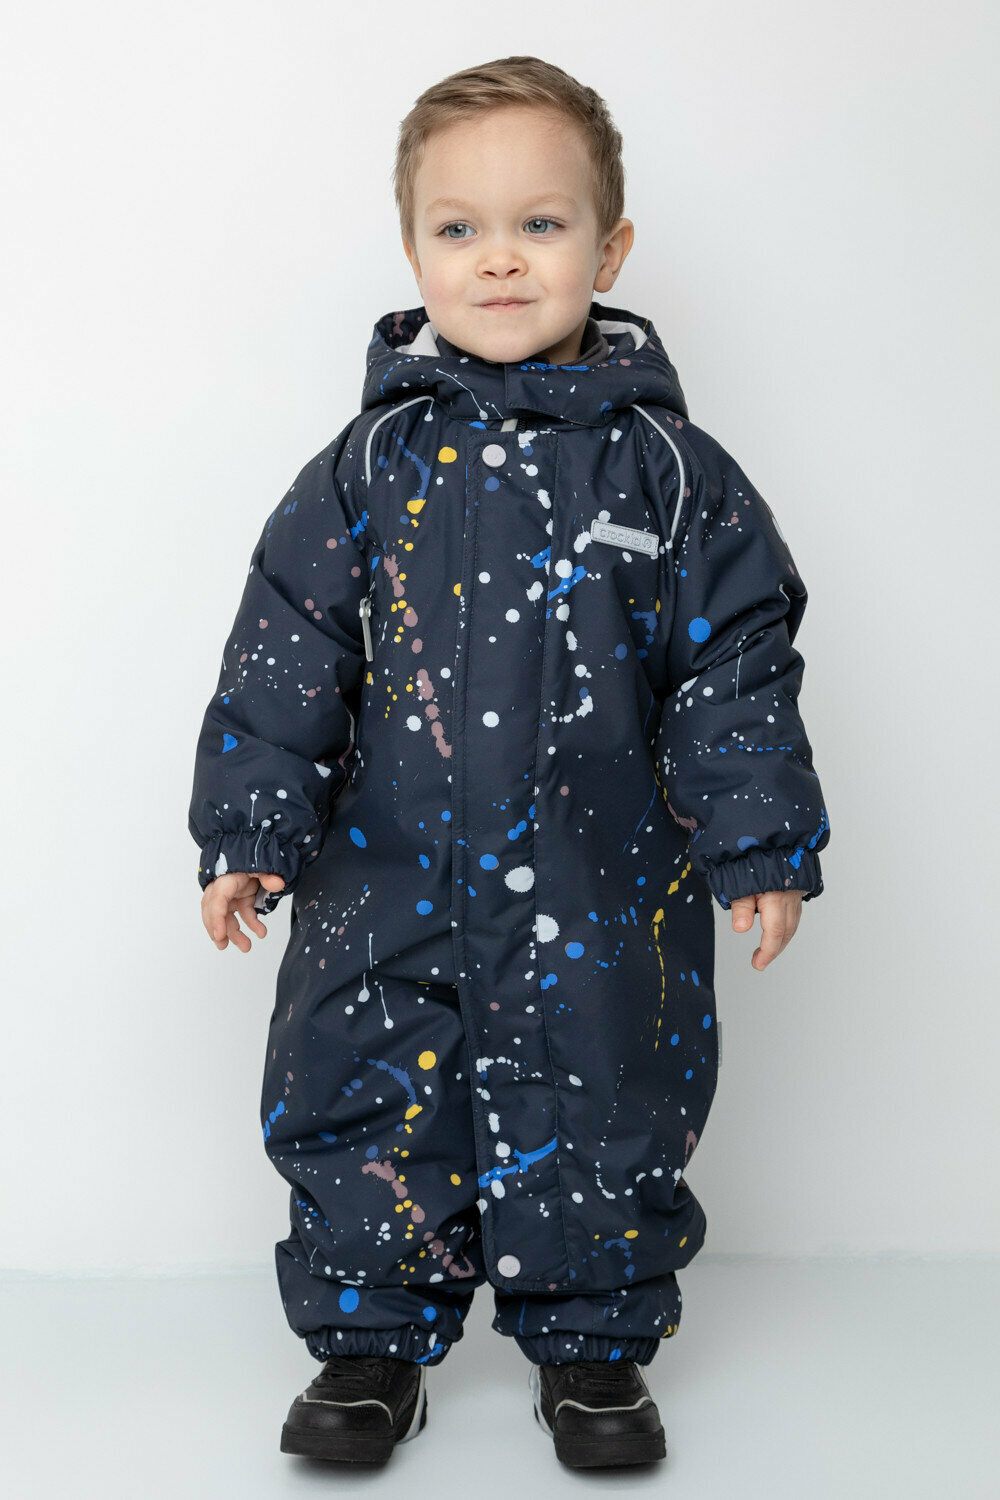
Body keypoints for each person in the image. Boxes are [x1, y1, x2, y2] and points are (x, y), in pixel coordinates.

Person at [187, 54, 830, 1471]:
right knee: (365, 1084)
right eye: (459, 228)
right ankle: (369, 1343)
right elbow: (287, 651)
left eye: (541, 224)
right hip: (387, 885)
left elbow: (733, 668)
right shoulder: (367, 468)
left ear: (611, 247)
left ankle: (594, 1348)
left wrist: (758, 842)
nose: (499, 259)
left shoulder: (670, 472)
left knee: (606, 1092)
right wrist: (250, 832)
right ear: (413, 249)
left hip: (600, 883)